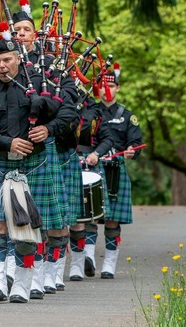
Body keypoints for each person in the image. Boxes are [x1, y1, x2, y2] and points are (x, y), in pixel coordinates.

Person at [0, 37, 72, 304]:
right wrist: (8, 142)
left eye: (7, 60)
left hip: (34, 163)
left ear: (18, 59)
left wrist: (48, 129)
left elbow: (69, 112)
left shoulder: (39, 83)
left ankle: (22, 285)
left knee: (27, 229)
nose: (2, 66)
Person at [84, 64, 142, 279]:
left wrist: (131, 152)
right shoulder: (89, 112)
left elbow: (136, 144)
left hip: (116, 170)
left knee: (112, 221)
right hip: (91, 168)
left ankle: (109, 265)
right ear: (97, 88)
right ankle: (87, 260)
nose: (106, 89)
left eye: (111, 85)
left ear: (118, 87)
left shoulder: (127, 116)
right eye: (102, 85)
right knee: (89, 217)